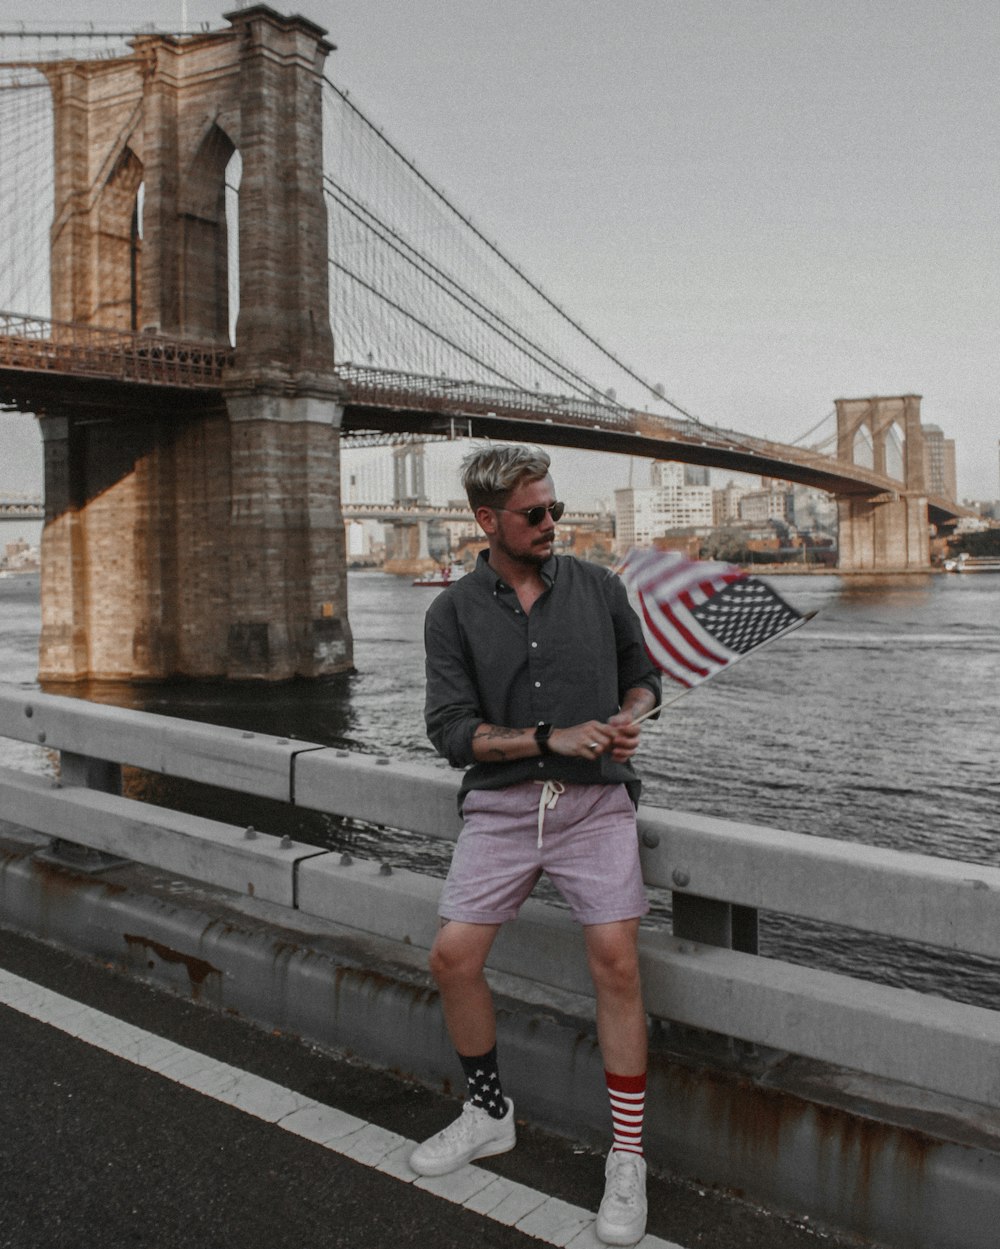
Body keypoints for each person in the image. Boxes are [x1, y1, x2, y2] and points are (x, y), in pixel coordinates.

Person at [410, 444, 661, 1247]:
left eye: (557, 509)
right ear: (488, 521)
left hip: (594, 805)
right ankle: (488, 1112)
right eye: (536, 514)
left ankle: (628, 1155)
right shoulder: (450, 612)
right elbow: (452, 733)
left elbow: (644, 673)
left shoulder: (599, 586)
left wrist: (631, 713)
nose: (554, 523)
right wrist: (550, 735)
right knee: (453, 956)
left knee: (616, 961)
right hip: (504, 807)